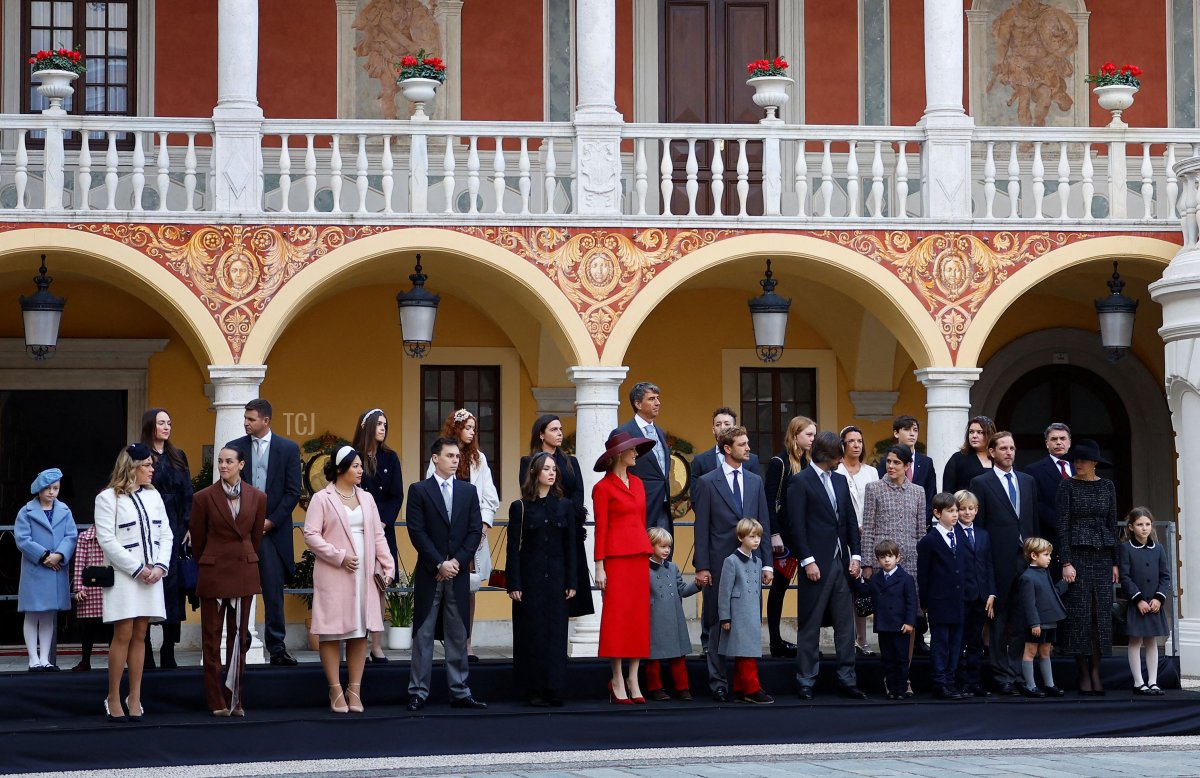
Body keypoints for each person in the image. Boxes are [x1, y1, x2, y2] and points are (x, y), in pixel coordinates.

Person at [304, 446, 394, 714]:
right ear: (341, 468)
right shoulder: (322, 498)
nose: (360, 471)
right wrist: (339, 556)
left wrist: (387, 566)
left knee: (359, 631)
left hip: (364, 573)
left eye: (360, 466)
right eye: (355, 466)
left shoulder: (366, 498)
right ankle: (335, 689)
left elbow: (378, 535)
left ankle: (354, 689)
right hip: (335, 573)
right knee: (332, 633)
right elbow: (310, 535)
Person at [405, 437, 486, 711]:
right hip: (431, 573)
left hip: (458, 573)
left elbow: (475, 530)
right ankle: (418, 691)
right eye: (450, 456)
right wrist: (439, 563)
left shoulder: (468, 491)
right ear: (435, 458)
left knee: (458, 632)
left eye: (457, 456)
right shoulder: (419, 490)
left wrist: (456, 563)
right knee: (423, 633)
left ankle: (460, 691)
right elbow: (416, 531)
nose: (455, 460)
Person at [692, 424, 772, 700]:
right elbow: (700, 527)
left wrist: (767, 563)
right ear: (728, 448)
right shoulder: (706, 481)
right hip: (718, 563)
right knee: (717, 622)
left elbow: (764, 523)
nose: (748, 448)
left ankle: (744, 685)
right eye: (742, 444)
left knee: (748, 622)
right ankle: (718, 683)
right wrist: (701, 566)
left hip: (751, 564)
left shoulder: (755, 481)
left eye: (748, 443)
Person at [94, 443, 173, 723]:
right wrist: (138, 568)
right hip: (125, 576)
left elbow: (166, 534)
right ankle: (113, 696)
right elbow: (107, 541)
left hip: (152, 575)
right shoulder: (107, 498)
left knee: (142, 633)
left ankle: (135, 695)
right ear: (131, 468)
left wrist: (160, 566)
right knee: (123, 633)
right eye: (147, 465)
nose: (152, 470)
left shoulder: (154, 496)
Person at [786, 431, 864, 700]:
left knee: (846, 625)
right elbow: (795, 526)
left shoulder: (841, 481)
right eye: (839, 454)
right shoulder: (800, 482)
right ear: (828, 455)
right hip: (815, 564)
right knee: (810, 622)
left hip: (841, 562)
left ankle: (847, 679)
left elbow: (850, 521)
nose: (842, 458)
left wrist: (856, 556)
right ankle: (806, 680)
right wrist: (807, 560)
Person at [190, 446, 266, 717]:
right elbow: (197, 540)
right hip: (213, 570)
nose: (223, 465)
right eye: (220, 461)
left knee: (239, 637)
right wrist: (212, 558)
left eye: (229, 461)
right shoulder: (203, 497)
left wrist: (241, 556)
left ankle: (236, 698)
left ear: (241, 464)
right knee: (211, 638)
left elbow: (255, 538)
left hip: (244, 570)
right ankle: (216, 700)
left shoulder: (258, 497)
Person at [228, 398, 302, 666]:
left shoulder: (288, 449)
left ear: (266, 421)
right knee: (238, 587)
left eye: (251, 419)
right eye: (245, 418)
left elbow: (293, 491)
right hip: (242, 531)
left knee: (273, 589)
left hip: (273, 531)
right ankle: (239, 642)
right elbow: (228, 486)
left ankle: (277, 647)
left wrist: (271, 521)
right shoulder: (236, 448)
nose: (246, 423)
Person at [428, 409, 500, 662]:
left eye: (474, 428)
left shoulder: (479, 459)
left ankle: (467, 642)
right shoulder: (438, 458)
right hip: (447, 533)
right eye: (468, 427)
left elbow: (491, 497)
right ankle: (448, 639)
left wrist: (482, 526)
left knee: (469, 589)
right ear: (455, 428)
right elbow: (430, 492)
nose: (472, 432)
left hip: (473, 534)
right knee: (446, 588)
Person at [969, 431, 1037, 696]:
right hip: (997, 561)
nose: (1009, 452)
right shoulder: (981, 482)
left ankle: (1017, 671)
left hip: (1026, 559)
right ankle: (1001, 674)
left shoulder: (1027, 481)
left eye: (1012, 447)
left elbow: (1032, 522)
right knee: (999, 620)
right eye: (1004, 448)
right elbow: (980, 527)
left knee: (1022, 619)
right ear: (992, 452)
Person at [506, 452, 576, 707]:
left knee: (556, 633)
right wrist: (514, 583)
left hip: (557, 579)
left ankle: (554, 686)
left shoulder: (564, 505)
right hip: (529, 581)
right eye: (546, 469)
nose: (551, 473)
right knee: (531, 634)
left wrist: (572, 581)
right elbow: (513, 548)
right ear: (535, 473)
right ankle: (533, 687)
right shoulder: (520, 507)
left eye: (554, 469)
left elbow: (570, 546)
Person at [592, 430, 656, 704]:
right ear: (618, 454)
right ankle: (617, 677)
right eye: (632, 450)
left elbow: (641, 521)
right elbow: (600, 529)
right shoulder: (602, 488)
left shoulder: (639, 484)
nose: (636, 454)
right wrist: (599, 566)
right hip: (616, 561)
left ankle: (633, 677)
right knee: (617, 619)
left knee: (638, 619)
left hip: (639, 557)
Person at [1055, 438, 1119, 695]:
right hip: (1077, 557)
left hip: (1103, 556)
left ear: (1094, 462)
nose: (1077, 464)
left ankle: (1096, 671)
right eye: (1075, 460)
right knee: (1079, 615)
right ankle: (1083, 672)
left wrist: (1115, 561)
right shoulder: (1066, 486)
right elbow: (1062, 525)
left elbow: (1113, 523)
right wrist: (1066, 562)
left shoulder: (1108, 486)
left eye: (1082, 460)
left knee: (1100, 615)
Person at [520, 414, 593, 619]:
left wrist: (571, 516)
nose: (559, 433)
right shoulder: (529, 462)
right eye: (553, 429)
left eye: (560, 429)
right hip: (544, 530)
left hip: (570, 528)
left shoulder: (571, 462)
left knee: (571, 589)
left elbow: (579, 492)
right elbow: (529, 493)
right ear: (541, 434)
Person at [861, 445, 926, 657]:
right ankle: (890, 674)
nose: (891, 466)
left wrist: (923, 565)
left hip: (911, 564)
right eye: (888, 461)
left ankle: (904, 675)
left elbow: (921, 532)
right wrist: (867, 563)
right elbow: (868, 528)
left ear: (907, 465)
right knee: (887, 616)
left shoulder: (918, 492)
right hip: (883, 562)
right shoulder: (874, 488)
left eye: (896, 462)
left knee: (910, 615)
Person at [140, 408, 193, 670]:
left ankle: (169, 649)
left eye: (169, 423)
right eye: (162, 423)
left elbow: (188, 492)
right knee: (148, 584)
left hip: (174, 525)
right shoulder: (139, 454)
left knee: (173, 591)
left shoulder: (177, 455)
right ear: (151, 425)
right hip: (147, 525)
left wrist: (187, 525)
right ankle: (146, 648)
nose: (167, 427)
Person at [353, 408, 404, 663]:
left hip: (382, 531)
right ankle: (357, 643)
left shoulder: (391, 458)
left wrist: (382, 522)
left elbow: (397, 495)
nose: (383, 428)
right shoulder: (353, 457)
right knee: (356, 587)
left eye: (386, 424)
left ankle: (376, 644)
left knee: (380, 585)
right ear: (367, 426)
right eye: (379, 424)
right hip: (355, 531)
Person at [764, 415, 817, 658]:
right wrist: (774, 533)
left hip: (802, 536)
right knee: (779, 589)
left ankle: (804, 640)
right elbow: (769, 500)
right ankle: (775, 641)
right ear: (795, 435)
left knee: (804, 588)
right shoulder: (779, 462)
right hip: (782, 539)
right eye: (808, 434)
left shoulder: (810, 463)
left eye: (814, 435)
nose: (812, 439)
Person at [15, 468, 76, 672]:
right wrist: (43, 556)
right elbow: (22, 539)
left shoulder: (65, 510)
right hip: (35, 569)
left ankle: (45, 658)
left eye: (56, 488)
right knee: (32, 613)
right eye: (48, 488)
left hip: (55, 568)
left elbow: (71, 536)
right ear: (39, 489)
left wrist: (58, 555)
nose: (52, 492)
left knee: (49, 615)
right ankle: (33, 659)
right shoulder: (26, 511)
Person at [916, 493, 967, 700]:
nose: (955, 515)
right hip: (939, 600)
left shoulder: (960, 537)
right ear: (937, 513)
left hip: (958, 600)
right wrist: (926, 602)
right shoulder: (929, 541)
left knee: (956, 643)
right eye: (950, 511)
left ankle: (951, 680)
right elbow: (924, 574)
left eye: (956, 511)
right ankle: (940, 682)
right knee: (941, 642)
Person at [718, 519, 773, 704]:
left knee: (746, 650)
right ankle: (752, 689)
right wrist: (725, 616)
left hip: (752, 614)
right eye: (752, 536)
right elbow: (724, 591)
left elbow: (757, 593)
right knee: (746, 653)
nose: (756, 540)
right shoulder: (731, 561)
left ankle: (739, 690)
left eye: (758, 536)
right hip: (738, 614)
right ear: (741, 537)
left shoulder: (757, 562)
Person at [1118, 507, 1171, 696]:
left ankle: (1153, 681)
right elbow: (1125, 577)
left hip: (1154, 604)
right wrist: (1138, 599)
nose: (1144, 528)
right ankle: (1138, 682)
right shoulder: (1125, 548)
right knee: (1135, 641)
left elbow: (1165, 577)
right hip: (1137, 604)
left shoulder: (1158, 548)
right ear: (1131, 527)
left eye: (1147, 524)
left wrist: (1159, 598)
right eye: (1140, 524)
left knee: (1151, 641)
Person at [836, 425, 879, 655]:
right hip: (843, 537)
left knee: (863, 587)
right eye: (851, 440)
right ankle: (846, 638)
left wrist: (868, 527)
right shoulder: (836, 470)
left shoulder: (871, 472)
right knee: (845, 587)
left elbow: (875, 503)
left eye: (859, 441)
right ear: (842, 444)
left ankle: (863, 639)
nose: (856, 445)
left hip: (867, 536)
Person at [646, 528, 699, 702]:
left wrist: (698, 585)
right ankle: (655, 688)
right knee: (653, 657)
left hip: (674, 617)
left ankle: (683, 688)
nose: (667, 550)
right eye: (662, 546)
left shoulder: (673, 567)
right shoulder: (643, 569)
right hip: (654, 618)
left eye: (668, 546)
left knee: (678, 656)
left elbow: (682, 590)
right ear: (651, 546)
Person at [610, 381, 672, 532]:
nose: (657, 403)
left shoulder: (660, 432)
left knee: (664, 554)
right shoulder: (623, 433)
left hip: (663, 504)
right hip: (638, 506)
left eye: (657, 398)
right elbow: (615, 473)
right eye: (651, 399)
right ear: (638, 404)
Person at [954, 489, 996, 698]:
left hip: (981, 596)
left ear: (977, 510)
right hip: (962, 596)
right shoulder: (953, 534)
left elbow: (988, 565)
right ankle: (960, 682)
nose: (967, 513)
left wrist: (991, 593)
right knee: (959, 641)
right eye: (962, 509)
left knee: (976, 641)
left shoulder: (983, 534)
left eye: (970, 509)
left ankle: (974, 682)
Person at [1017, 537, 1068, 697]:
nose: (1049, 558)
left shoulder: (1045, 573)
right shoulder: (1027, 577)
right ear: (1033, 555)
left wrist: (1065, 582)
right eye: (1046, 554)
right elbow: (1029, 604)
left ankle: (1049, 684)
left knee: (1046, 651)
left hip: (1049, 621)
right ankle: (1030, 686)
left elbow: (1053, 593)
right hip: (1037, 623)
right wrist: (1034, 623)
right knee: (1030, 652)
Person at [867, 539, 917, 700]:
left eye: (890, 556)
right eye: (882, 557)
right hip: (884, 626)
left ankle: (901, 688)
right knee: (887, 659)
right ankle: (891, 687)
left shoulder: (906, 578)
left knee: (901, 659)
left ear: (898, 558)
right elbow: (868, 594)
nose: (887, 560)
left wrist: (910, 622)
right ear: (878, 560)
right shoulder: (875, 579)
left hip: (901, 626)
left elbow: (911, 602)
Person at [876, 415, 937, 526]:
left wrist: (923, 522)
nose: (912, 434)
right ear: (896, 433)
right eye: (907, 429)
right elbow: (881, 492)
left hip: (921, 525)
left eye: (915, 430)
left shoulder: (926, 462)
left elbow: (931, 495)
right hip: (891, 525)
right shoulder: (886, 461)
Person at [1024, 423, 1073, 559]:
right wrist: (1062, 523)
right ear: (1047, 443)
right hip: (1050, 538)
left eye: (1062, 439)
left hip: (1078, 539)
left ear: (1069, 442)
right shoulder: (1034, 470)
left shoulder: (1079, 467)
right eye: (1054, 439)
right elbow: (1036, 503)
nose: (1058, 442)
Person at [71, 525, 110, 672]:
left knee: (113, 628)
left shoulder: (115, 533)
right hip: (90, 587)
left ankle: (115, 662)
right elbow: (79, 563)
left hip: (111, 585)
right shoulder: (85, 536)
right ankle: (85, 660)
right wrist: (79, 587)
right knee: (88, 628)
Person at [691, 407, 761, 478]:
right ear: (713, 430)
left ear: (735, 428)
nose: (722, 428)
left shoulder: (752, 460)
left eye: (727, 424)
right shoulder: (700, 461)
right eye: (718, 424)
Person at [942, 416, 996, 495]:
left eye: (979, 432)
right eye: (971, 432)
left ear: (989, 434)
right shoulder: (958, 458)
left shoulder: (998, 458)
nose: (974, 436)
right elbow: (947, 493)